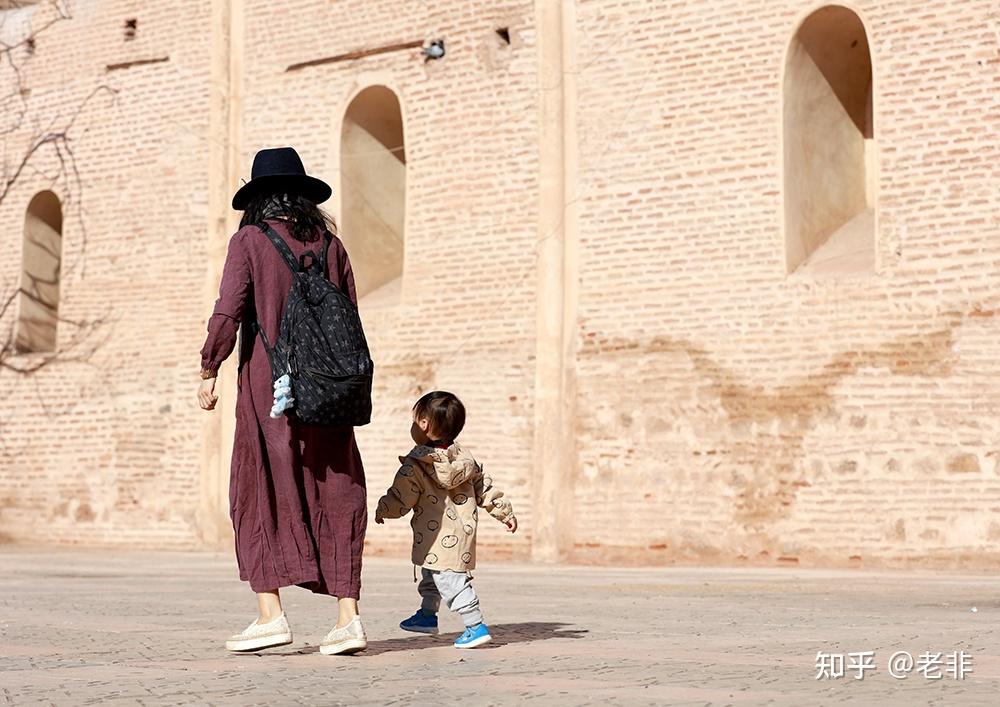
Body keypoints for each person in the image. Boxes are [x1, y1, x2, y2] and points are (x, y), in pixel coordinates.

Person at [198, 147, 368, 656]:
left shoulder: (249, 240)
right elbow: (350, 316)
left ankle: (271, 615)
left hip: (270, 386)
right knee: (337, 485)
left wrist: (209, 366)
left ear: (259, 197)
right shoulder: (331, 245)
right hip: (330, 386)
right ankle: (348, 619)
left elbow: (229, 310)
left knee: (259, 485)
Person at [374, 391, 517, 649]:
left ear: (424, 424)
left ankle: (475, 625)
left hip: (433, 534)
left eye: (415, 420)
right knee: (433, 573)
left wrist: (383, 509)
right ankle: (427, 615)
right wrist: (505, 513)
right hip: (459, 534)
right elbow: (484, 488)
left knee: (451, 581)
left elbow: (401, 496)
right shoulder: (465, 460)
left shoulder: (416, 465)